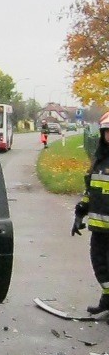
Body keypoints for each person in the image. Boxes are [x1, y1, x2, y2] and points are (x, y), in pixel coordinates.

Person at [71, 111, 109, 315]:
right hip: (99, 228)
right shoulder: (99, 161)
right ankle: (107, 299)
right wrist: (80, 213)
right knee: (100, 266)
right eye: (107, 132)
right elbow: (90, 191)